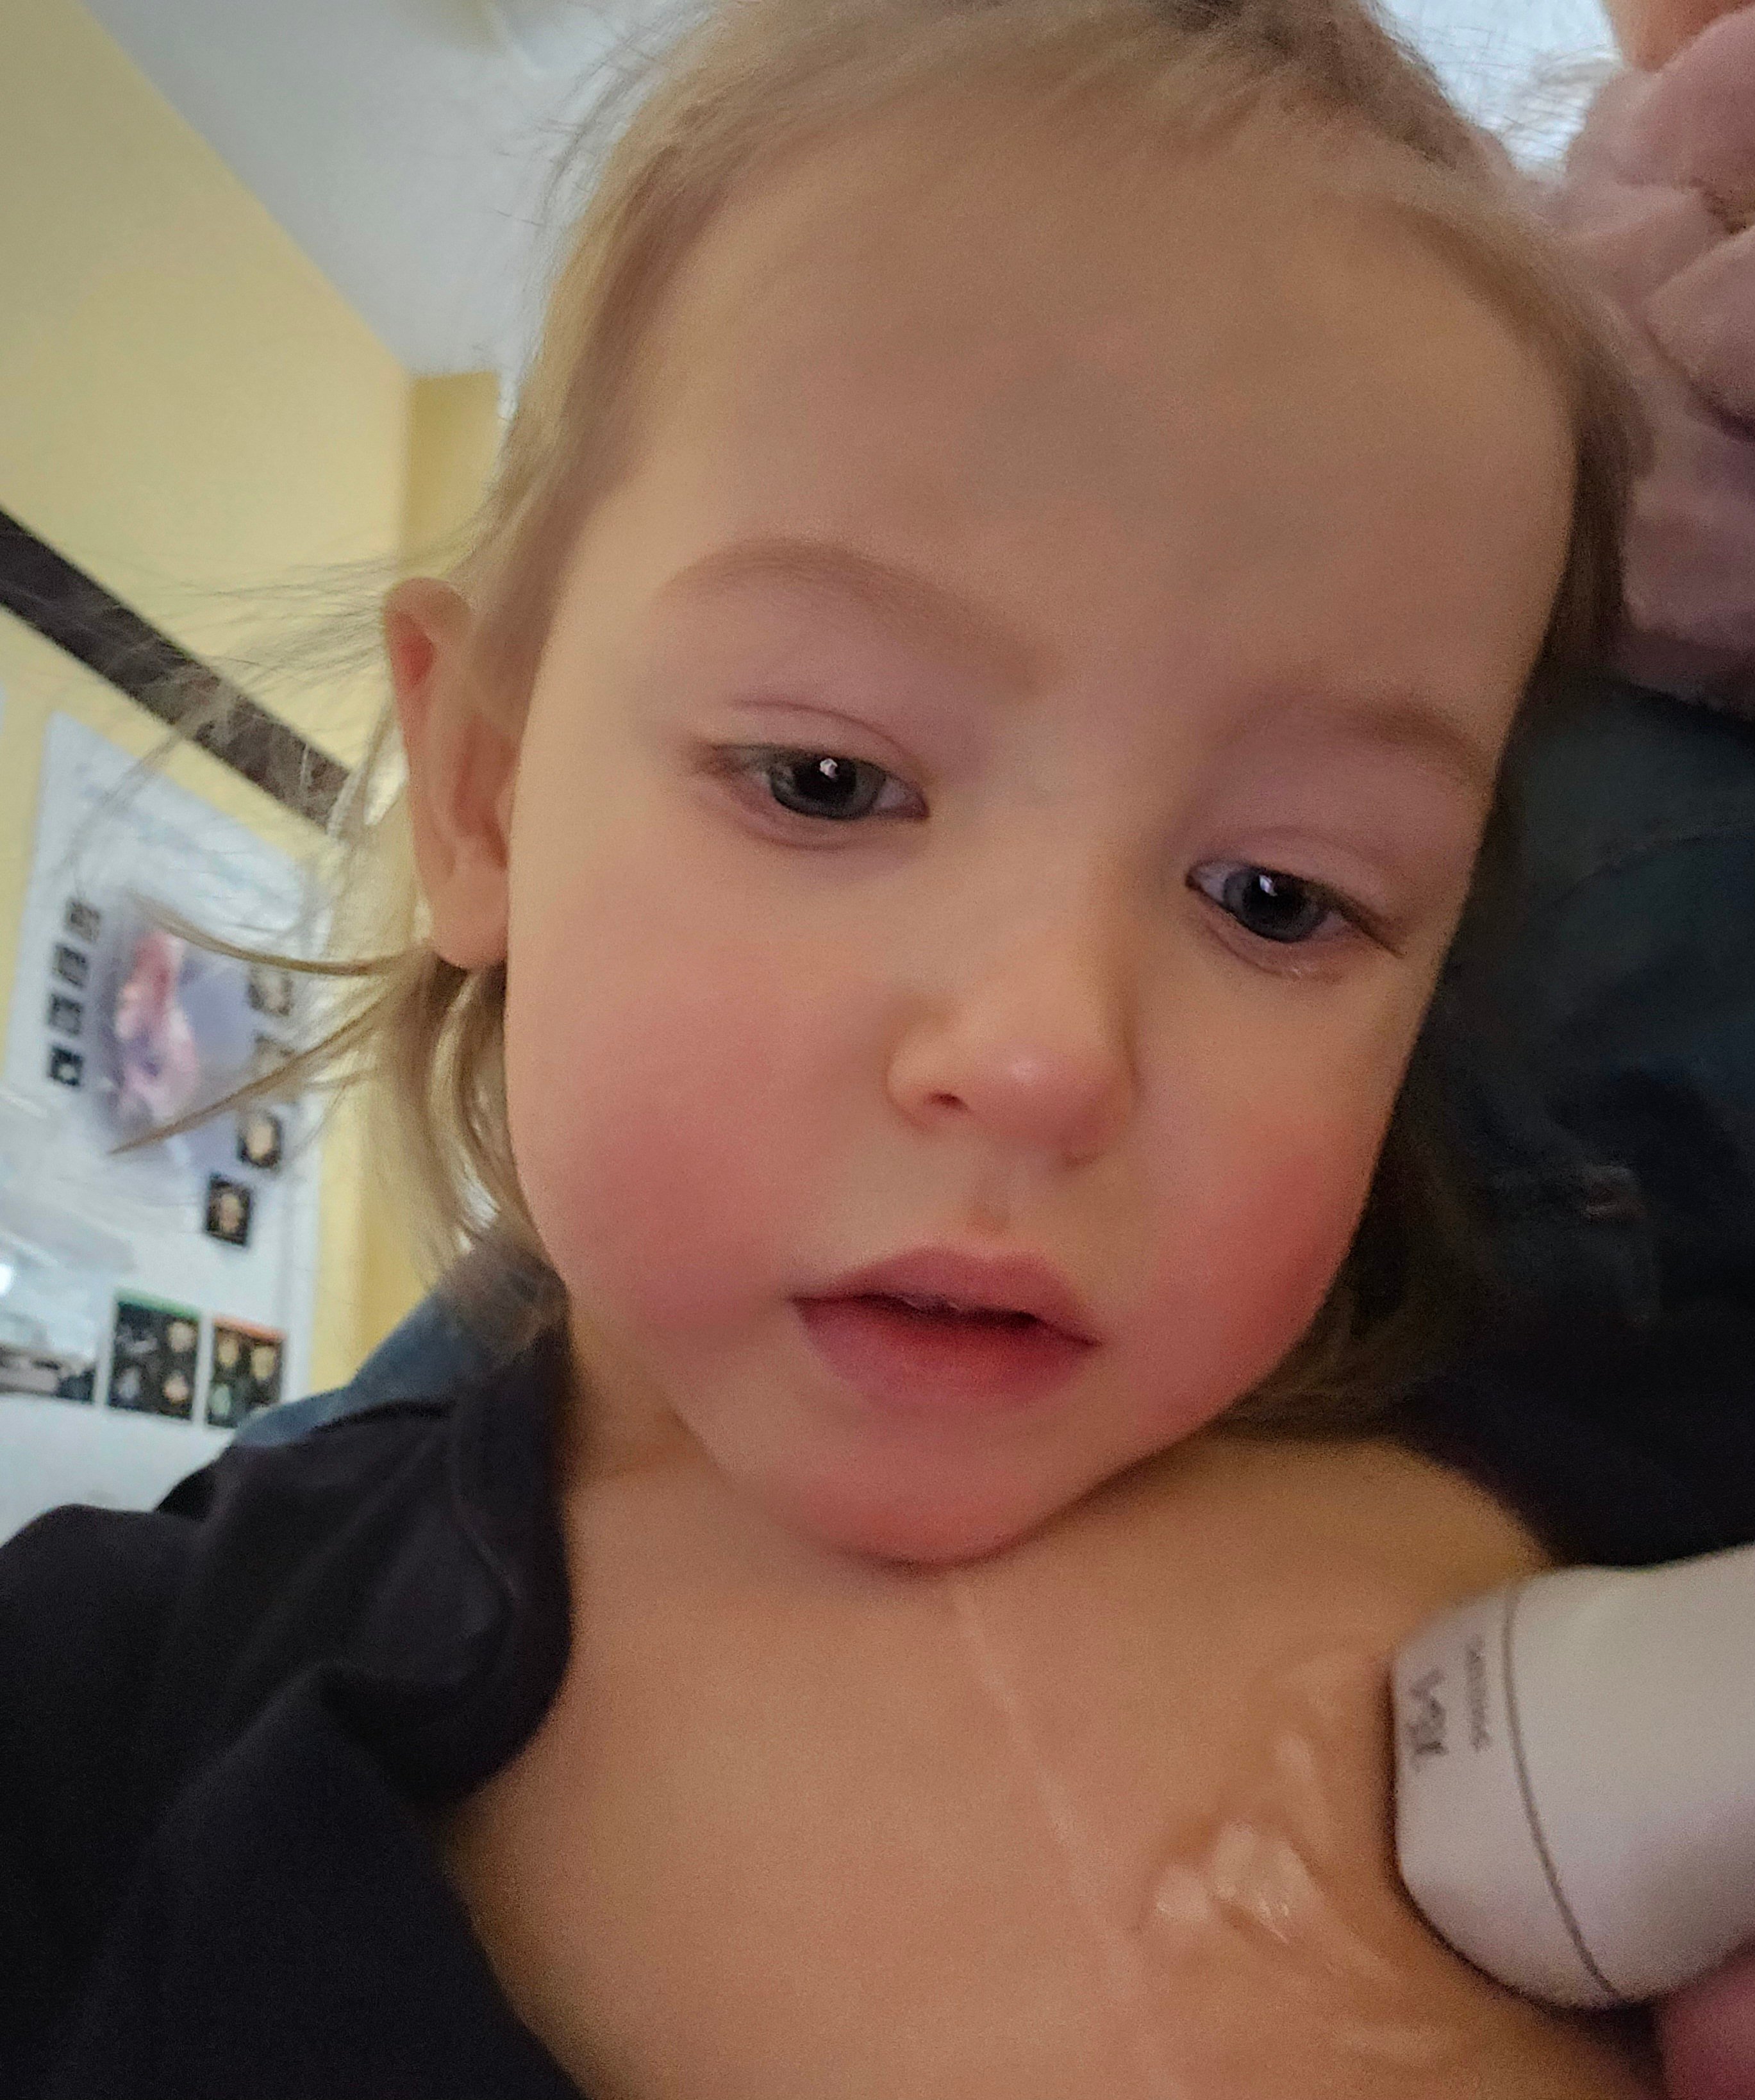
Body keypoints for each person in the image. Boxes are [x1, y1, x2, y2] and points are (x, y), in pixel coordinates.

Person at [0, 0, 1740, 2092]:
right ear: (482, 795)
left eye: (1277, 896)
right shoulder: (106, 1697)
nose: (1040, 1056)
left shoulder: (1644, 1471)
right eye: (827, 782)